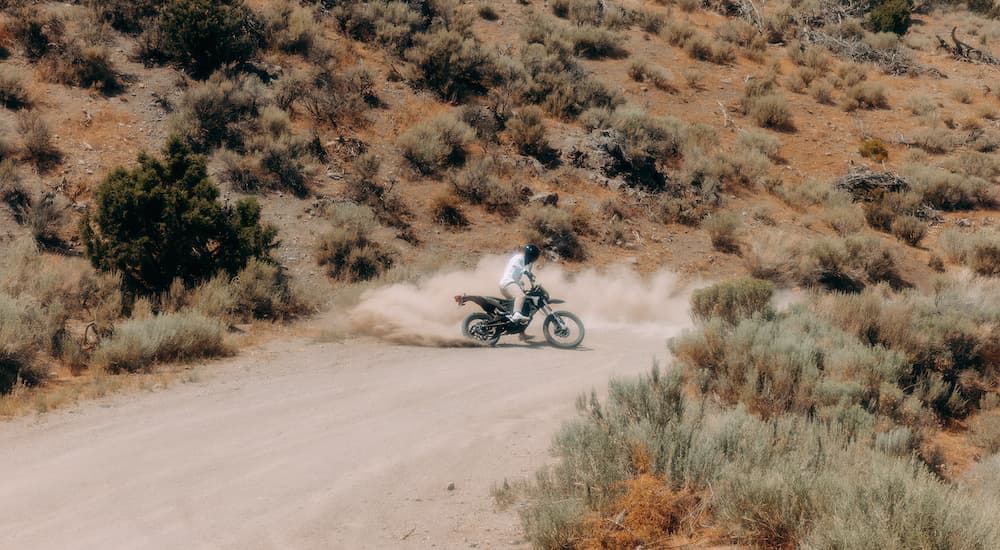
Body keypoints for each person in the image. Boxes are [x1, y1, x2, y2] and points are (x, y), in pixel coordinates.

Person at [499, 244, 540, 323]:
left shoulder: (525, 262)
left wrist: (531, 280)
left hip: (509, 284)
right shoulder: (518, 258)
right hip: (508, 283)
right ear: (532, 256)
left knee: (522, 306)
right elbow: (516, 266)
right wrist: (526, 272)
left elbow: (526, 272)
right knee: (521, 296)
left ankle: (521, 332)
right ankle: (516, 315)